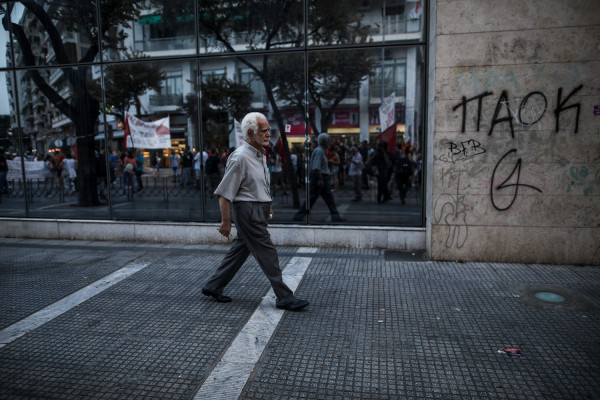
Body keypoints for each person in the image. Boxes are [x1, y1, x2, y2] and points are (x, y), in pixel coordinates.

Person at [202, 112, 309, 311]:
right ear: (250, 133)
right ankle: (284, 297)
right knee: (268, 252)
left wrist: (267, 204)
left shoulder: (260, 154)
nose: (269, 134)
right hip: (247, 211)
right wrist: (226, 222)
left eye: (269, 130)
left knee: (239, 251)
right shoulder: (240, 157)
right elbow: (224, 194)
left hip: (257, 209)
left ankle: (213, 286)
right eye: (264, 130)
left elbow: (258, 184)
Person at [293, 133, 345, 222]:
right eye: (328, 140)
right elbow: (316, 167)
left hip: (322, 178)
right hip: (320, 178)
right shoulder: (319, 151)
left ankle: (335, 216)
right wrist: (320, 179)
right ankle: (299, 215)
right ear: (324, 141)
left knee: (328, 199)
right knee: (313, 198)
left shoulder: (321, 151)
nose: (330, 142)